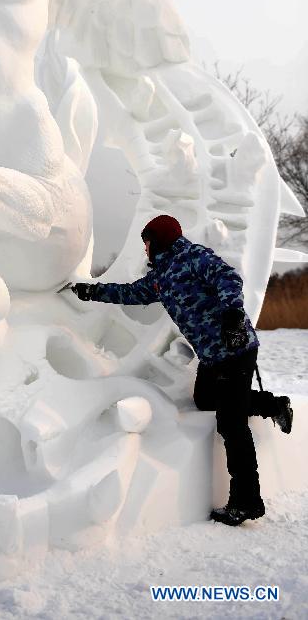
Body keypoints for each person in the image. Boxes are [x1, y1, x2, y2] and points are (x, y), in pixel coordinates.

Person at [70, 214, 293, 526]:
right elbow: (133, 293)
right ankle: (273, 404)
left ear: (160, 240)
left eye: (147, 241)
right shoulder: (162, 275)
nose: (145, 248)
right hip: (212, 356)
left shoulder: (193, 257)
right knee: (204, 400)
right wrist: (93, 292)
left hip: (234, 348)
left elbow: (228, 278)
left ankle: (246, 501)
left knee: (231, 423)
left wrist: (231, 315)